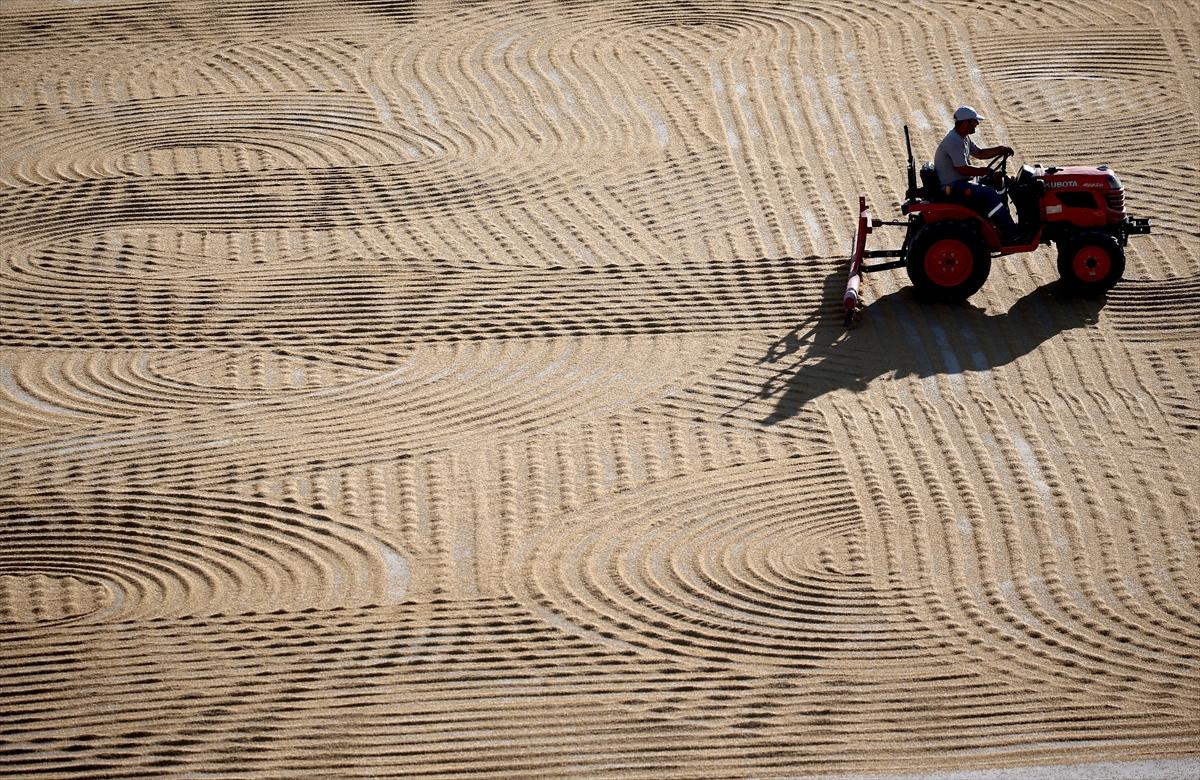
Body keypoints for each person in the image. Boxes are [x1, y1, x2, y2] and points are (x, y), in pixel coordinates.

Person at [934, 105, 1020, 242]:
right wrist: (986, 171)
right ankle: (1011, 233)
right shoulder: (953, 141)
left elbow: (979, 153)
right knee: (990, 193)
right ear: (966, 122)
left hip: (961, 181)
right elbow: (963, 169)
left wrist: (1000, 150)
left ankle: (1002, 223)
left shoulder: (962, 137)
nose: (977, 124)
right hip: (954, 186)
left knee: (997, 179)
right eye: (974, 121)